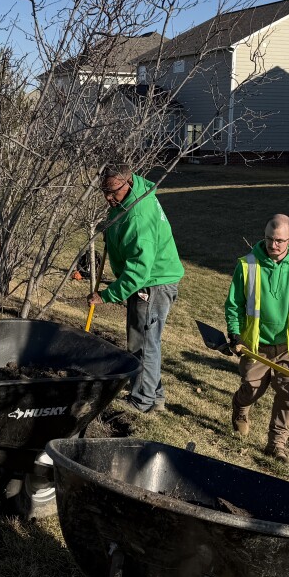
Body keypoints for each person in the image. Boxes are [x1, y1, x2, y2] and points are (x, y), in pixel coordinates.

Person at [89, 163, 184, 413]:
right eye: (104, 191)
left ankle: (141, 401)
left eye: (113, 192)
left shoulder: (138, 216)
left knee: (142, 343)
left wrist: (107, 295)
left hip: (153, 283)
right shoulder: (131, 198)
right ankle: (155, 397)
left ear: (127, 183)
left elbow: (138, 271)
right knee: (148, 341)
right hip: (153, 278)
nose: (109, 197)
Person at [223, 214, 289, 462]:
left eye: (279, 241)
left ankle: (276, 445)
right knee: (253, 389)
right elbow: (234, 304)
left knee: (288, 395)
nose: (272, 245)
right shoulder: (247, 264)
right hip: (256, 344)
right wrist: (234, 333)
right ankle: (241, 408)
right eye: (268, 239)